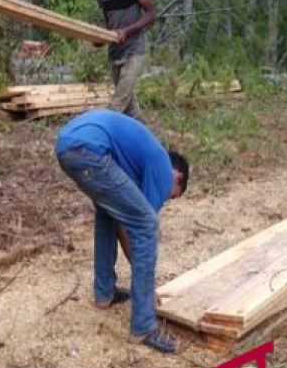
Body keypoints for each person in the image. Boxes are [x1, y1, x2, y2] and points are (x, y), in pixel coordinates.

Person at [55, 109, 189, 354]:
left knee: (107, 213)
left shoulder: (137, 160)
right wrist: (147, 289)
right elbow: (140, 229)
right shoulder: (162, 168)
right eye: (173, 196)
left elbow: (123, 223)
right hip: (88, 149)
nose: (166, 199)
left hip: (69, 144)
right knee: (147, 224)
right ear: (177, 176)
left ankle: (104, 294)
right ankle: (144, 326)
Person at [96, 0, 157, 118]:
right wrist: (99, 37)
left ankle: (100, 139)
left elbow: (152, 14)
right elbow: (108, 22)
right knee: (130, 109)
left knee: (117, 105)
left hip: (133, 52)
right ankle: (150, 144)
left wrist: (127, 31)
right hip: (115, 54)